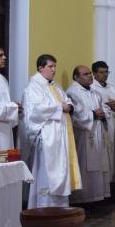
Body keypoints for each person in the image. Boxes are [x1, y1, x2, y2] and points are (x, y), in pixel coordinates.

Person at [22, 54, 81, 208]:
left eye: (55, 66)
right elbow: (36, 110)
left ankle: (60, 206)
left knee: (60, 169)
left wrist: (69, 106)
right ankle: (44, 206)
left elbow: (66, 100)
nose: (54, 70)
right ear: (40, 68)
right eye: (50, 66)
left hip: (59, 135)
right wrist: (60, 107)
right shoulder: (33, 86)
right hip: (47, 137)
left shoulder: (54, 85)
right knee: (47, 173)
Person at [66, 65, 109, 204]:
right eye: (85, 74)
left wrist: (103, 114)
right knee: (85, 165)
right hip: (83, 135)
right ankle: (83, 199)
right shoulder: (72, 92)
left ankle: (98, 197)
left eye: (90, 73)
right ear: (76, 77)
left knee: (98, 164)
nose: (90, 76)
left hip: (97, 131)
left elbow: (104, 109)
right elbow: (75, 115)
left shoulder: (94, 92)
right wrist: (93, 114)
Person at [91, 61, 115, 183]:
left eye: (107, 72)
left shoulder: (112, 88)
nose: (105, 75)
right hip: (103, 127)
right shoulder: (91, 88)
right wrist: (108, 105)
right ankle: (105, 185)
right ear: (94, 73)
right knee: (105, 157)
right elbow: (93, 107)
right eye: (101, 72)